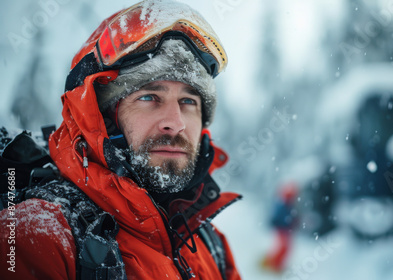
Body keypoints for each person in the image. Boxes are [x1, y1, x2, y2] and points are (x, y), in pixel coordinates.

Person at [0, 0, 241, 279]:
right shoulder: (37, 237)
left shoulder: (210, 244)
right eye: (149, 97)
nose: (175, 123)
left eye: (188, 101)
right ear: (103, 118)